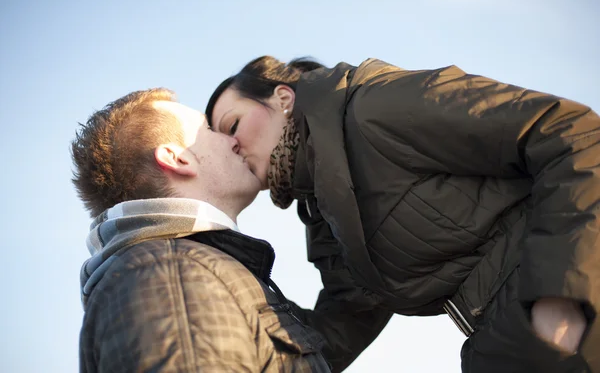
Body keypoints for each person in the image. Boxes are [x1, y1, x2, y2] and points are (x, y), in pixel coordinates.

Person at [206, 56, 600, 372]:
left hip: (575, 309)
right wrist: (230, 324)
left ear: (282, 98)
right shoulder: (321, 206)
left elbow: (571, 132)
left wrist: (559, 294)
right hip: (503, 345)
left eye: (232, 125)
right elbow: (344, 323)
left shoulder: (370, 104)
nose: (230, 146)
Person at [71, 88, 391, 373]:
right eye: (208, 129)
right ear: (178, 158)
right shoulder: (173, 275)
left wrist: (322, 188)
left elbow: (345, 321)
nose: (233, 140)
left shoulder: (192, 269)